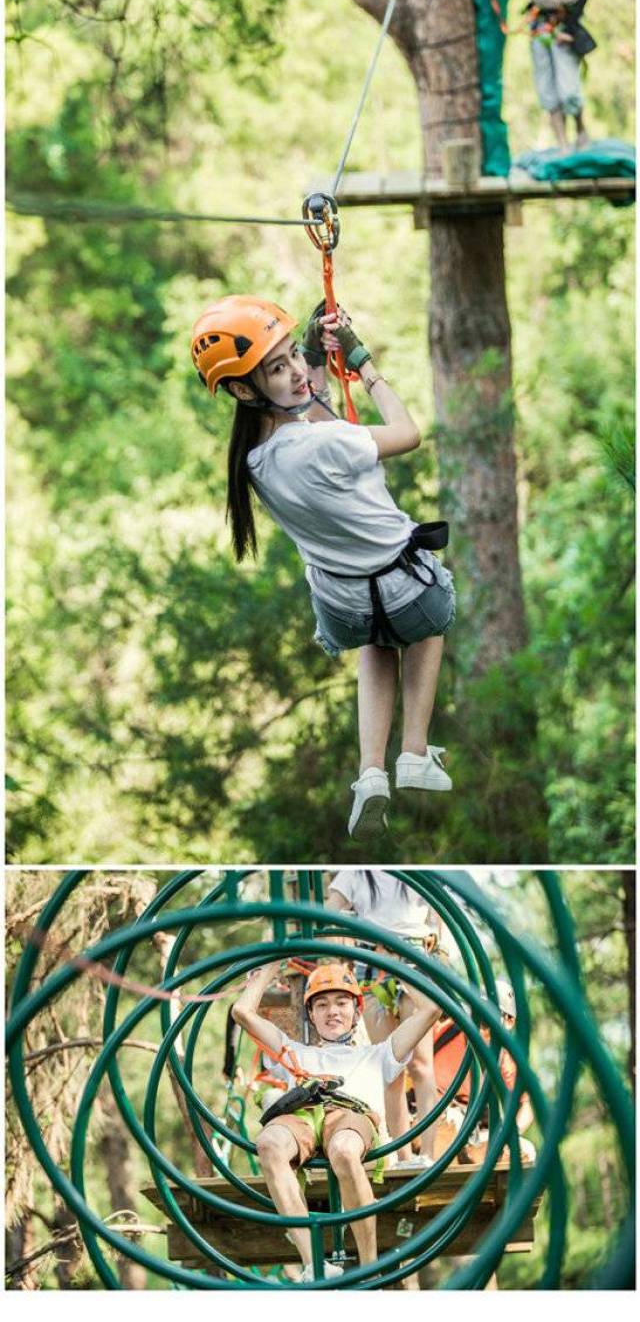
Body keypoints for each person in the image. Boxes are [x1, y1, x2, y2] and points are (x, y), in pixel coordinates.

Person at [190, 295, 455, 837]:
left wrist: (313, 350)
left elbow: (307, 409)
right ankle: (413, 751)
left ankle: (371, 773)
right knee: (426, 626)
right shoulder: (326, 443)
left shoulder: (255, 463)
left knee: (380, 643)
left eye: (291, 357)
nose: (294, 373)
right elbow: (407, 433)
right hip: (406, 588)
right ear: (243, 389)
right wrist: (361, 361)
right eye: (277, 367)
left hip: (344, 607)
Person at [231, 955, 440, 1282]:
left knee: (343, 1149)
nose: (333, 1011)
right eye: (322, 1005)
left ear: (357, 1012)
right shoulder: (295, 1053)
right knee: (269, 1142)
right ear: (311, 1015)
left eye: (342, 1003)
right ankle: (313, 1263)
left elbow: (430, 1011)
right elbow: (242, 1013)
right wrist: (274, 961)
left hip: (351, 1115)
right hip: (303, 1115)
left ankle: (370, 1268)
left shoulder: (380, 1053)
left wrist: (401, 966)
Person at [326, 870, 443, 1164]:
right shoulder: (355, 875)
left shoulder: (415, 875)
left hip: (413, 957)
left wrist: (438, 944)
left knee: (421, 1065)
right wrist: (339, 938)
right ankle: (403, 1156)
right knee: (391, 1068)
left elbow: (439, 908)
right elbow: (330, 908)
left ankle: (428, 1154)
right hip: (372, 961)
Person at [490, 0, 600, 149]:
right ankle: (562, 144)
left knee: (569, 89)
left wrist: (571, 23)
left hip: (565, 19)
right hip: (539, 22)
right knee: (546, 88)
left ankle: (581, 131)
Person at [433, 975, 535, 1166]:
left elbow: (527, 1105)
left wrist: (508, 1135)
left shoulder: (506, 1056)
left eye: (489, 1020)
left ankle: (475, 1163)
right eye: (479, 1016)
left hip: (477, 1127)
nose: (482, 1027)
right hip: (438, 1116)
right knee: (447, 1126)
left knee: (525, 1152)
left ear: (509, 1021)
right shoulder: (447, 1033)